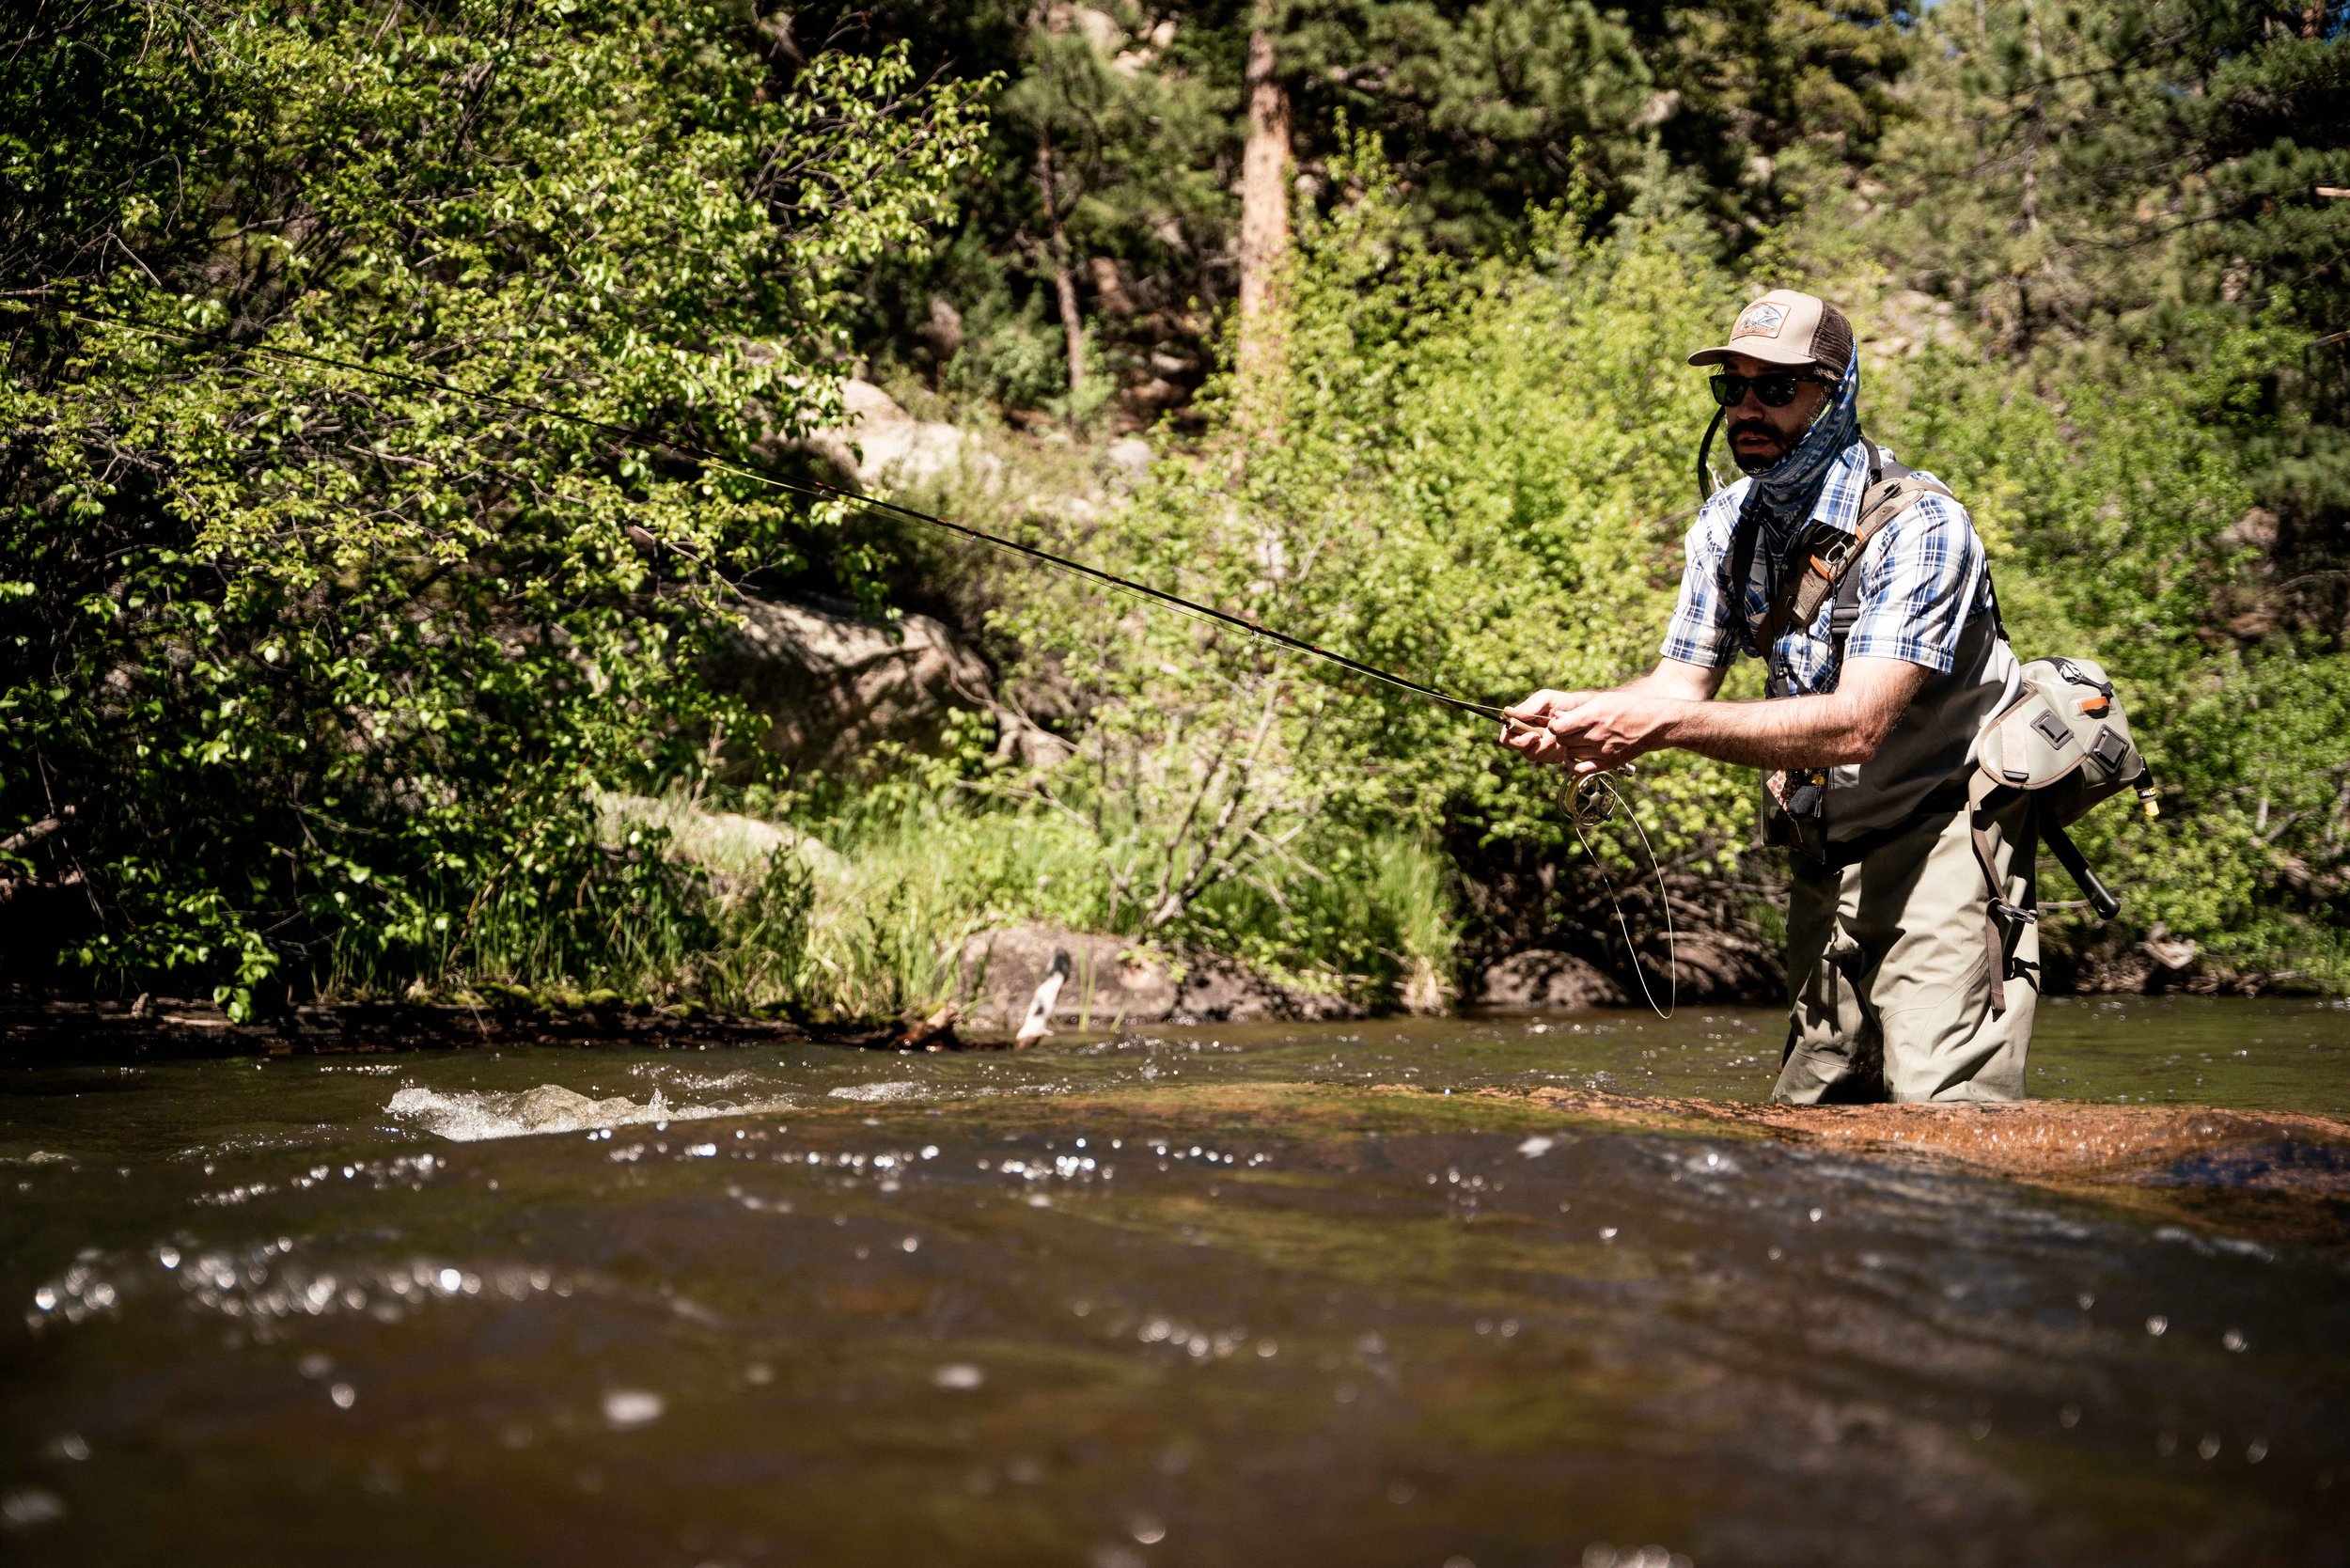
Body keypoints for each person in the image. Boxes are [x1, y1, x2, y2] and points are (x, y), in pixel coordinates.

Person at [1502, 290, 2036, 1104]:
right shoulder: (1726, 524)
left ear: (1838, 391)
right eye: (1733, 388)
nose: (1748, 408)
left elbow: (1857, 726)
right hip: (1825, 853)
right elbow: (1678, 684)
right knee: (1810, 1117)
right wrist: (1586, 720)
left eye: (1776, 389)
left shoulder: (1922, 527)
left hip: (1945, 842)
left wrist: (1657, 726)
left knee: (1942, 1125)